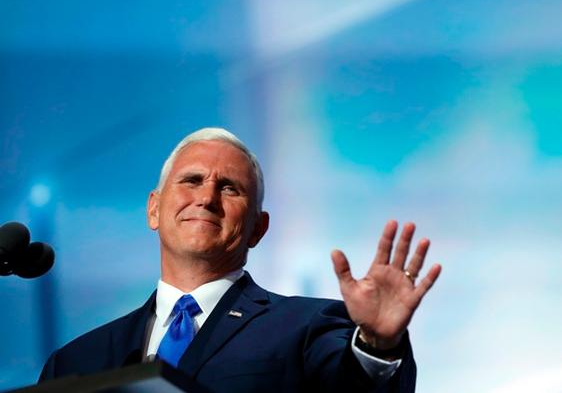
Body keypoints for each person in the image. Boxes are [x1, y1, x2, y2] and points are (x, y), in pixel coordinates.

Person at [38, 128, 441, 392]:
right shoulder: (76, 361)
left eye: (229, 188)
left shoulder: (307, 328)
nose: (207, 198)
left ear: (257, 228)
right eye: (192, 180)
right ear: (154, 209)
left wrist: (378, 343)